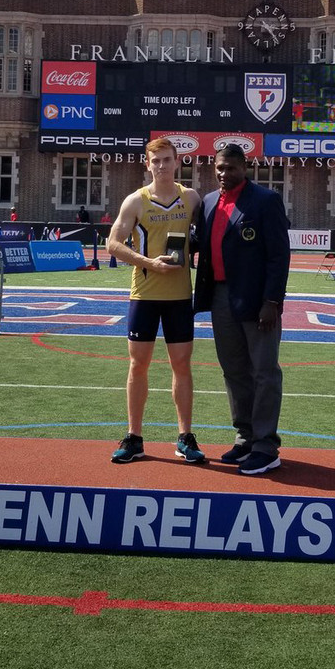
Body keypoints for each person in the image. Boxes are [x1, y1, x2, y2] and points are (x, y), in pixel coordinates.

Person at [193, 144, 291, 475]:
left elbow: (279, 256)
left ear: (244, 167)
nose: (224, 174)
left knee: (264, 371)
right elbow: (196, 243)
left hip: (257, 300)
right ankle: (245, 435)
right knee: (233, 370)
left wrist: (272, 302)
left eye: (230, 168)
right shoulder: (207, 202)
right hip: (221, 296)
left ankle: (266, 445)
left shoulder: (265, 201)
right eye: (219, 168)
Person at [107, 137, 204, 464]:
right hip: (145, 294)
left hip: (179, 295)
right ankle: (134, 437)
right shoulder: (135, 201)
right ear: (147, 164)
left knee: (182, 365)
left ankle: (185, 437)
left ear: (177, 162)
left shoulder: (190, 198)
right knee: (138, 364)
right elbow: (113, 244)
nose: (161, 165)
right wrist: (149, 263)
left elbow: (204, 238)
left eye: (167, 159)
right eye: (156, 160)